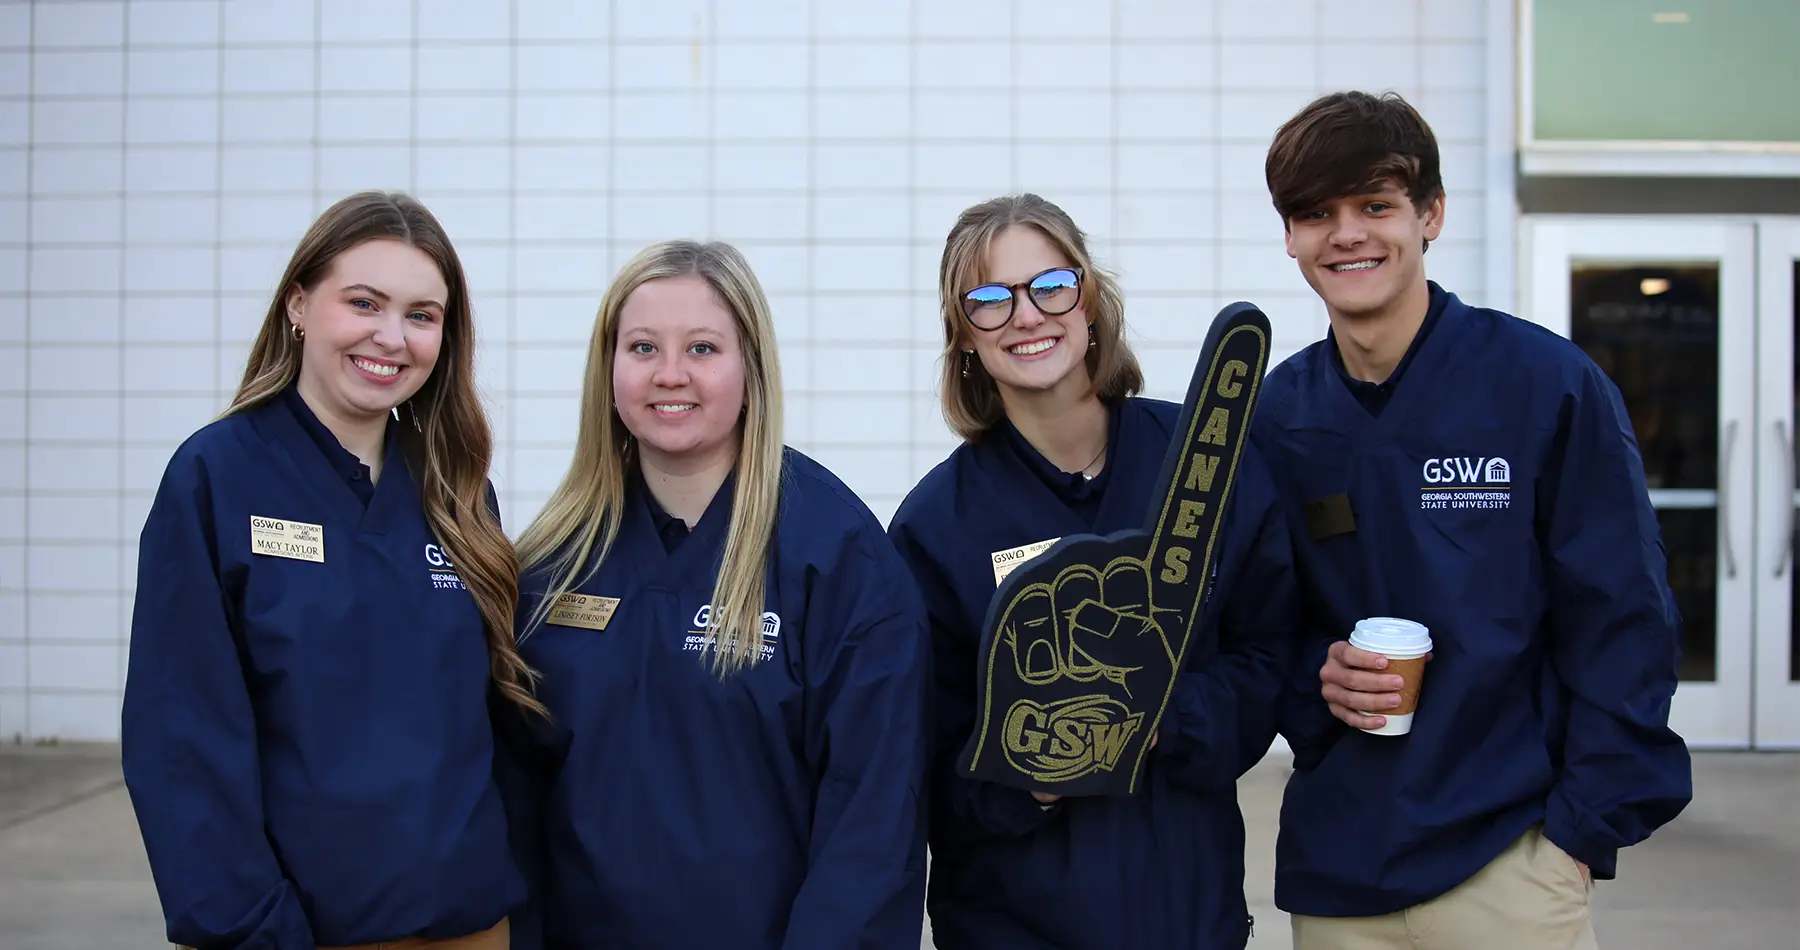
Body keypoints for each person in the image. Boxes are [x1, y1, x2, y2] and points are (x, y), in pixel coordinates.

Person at [1252, 91, 1694, 949]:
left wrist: (1578, 832)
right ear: (1292, 237)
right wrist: (1319, 673)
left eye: (1375, 206)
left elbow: (1623, 617)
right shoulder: (1279, 417)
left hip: (1511, 857)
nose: (1347, 234)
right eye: (1317, 214)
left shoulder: (1542, 385)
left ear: (1431, 215)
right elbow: (1256, 624)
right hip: (1344, 866)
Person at [121, 191, 539, 950]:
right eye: (363, 302)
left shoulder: (457, 488)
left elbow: (494, 719)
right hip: (306, 930)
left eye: (421, 314)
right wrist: (252, 929)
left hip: (472, 923)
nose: (391, 335)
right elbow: (180, 740)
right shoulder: (217, 478)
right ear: (299, 305)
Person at [886, 193, 1303, 950]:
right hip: (1012, 926)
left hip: (1186, 917)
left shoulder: (1204, 468)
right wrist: (1029, 774)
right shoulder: (934, 527)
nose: (1026, 315)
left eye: (1051, 285)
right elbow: (916, 763)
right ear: (964, 338)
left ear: (1090, 301)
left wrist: (1159, 720)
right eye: (988, 300)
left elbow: (1271, 655)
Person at [498, 239, 932, 950]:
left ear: (750, 368)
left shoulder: (836, 556)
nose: (671, 375)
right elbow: (515, 806)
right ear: (608, 369)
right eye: (643, 348)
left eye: (702, 349)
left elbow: (873, 814)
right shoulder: (553, 563)